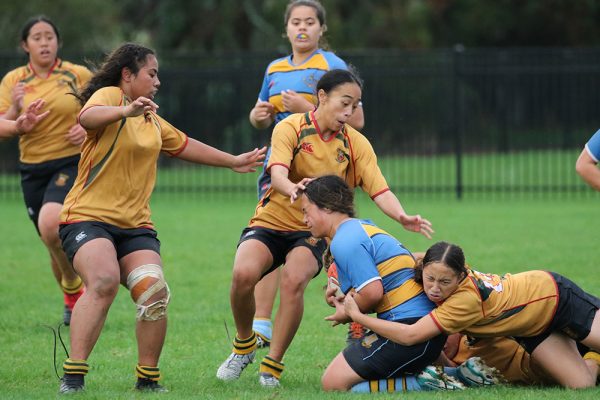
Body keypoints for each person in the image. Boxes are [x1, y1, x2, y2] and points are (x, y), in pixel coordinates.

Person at [57, 43, 266, 394]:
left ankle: (147, 380)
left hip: (135, 226)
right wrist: (124, 112)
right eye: (151, 74)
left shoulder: (150, 118)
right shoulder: (110, 95)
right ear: (128, 75)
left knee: (154, 292)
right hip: (86, 218)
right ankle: (74, 377)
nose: (157, 82)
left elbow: (183, 144)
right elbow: (86, 118)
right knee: (104, 280)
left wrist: (232, 161)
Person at [216, 68, 433, 388]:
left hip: (312, 231)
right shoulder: (290, 126)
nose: (350, 112)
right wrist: (289, 187)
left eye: (356, 105)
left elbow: (379, 189)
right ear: (322, 97)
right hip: (272, 220)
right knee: (243, 275)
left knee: (294, 280)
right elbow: (275, 171)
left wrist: (401, 216)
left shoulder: (355, 143)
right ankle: (244, 344)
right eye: (345, 103)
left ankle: (271, 367)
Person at [249, 0, 365, 348]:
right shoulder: (274, 69)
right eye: (296, 22)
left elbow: (357, 121)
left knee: (329, 247)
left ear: (321, 29)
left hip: (322, 175)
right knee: (268, 241)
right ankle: (261, 325)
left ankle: (355, 316)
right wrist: (258, 115)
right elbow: (259, 118)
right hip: (281, 169)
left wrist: (306, 108)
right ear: (286, 28)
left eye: (310, 22)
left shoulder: (332, 65)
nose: (302, 28)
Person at [342, 241, 600, 389]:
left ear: (461, 276)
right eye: (429, 278)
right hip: (532, 329)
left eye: (444, 282)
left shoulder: (463, 301)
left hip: (553, 297)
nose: (434, 288)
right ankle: (593, 354)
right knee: (582, 385)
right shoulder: (447, 266)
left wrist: (359, 316)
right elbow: (409, 258)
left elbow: (410, 335)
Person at [301, 175, 469, 392]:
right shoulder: (361, 228)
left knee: (333, 383)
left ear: (326, 207)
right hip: (424, 329)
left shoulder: (344, 241)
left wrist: (347, 313)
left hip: (410, 330)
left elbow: (371, 294)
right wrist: (341, 298)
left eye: (306, 210)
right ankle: (458, 374)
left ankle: (426, 383)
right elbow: (377, 287)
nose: (303, 219)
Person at [0, 16, 91, 325]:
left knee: (51, 224)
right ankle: (70, 289)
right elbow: (3, 125)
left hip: (69, 162)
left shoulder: (77, 75)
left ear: (58, 43)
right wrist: (15, 113)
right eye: (37, 37)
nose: (44, 42)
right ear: (25, 45)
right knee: (52, 240)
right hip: (32, 169)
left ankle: (74, 288)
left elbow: (104, 107)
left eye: (49, 36)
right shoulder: (14, 80)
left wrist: (85, 126)